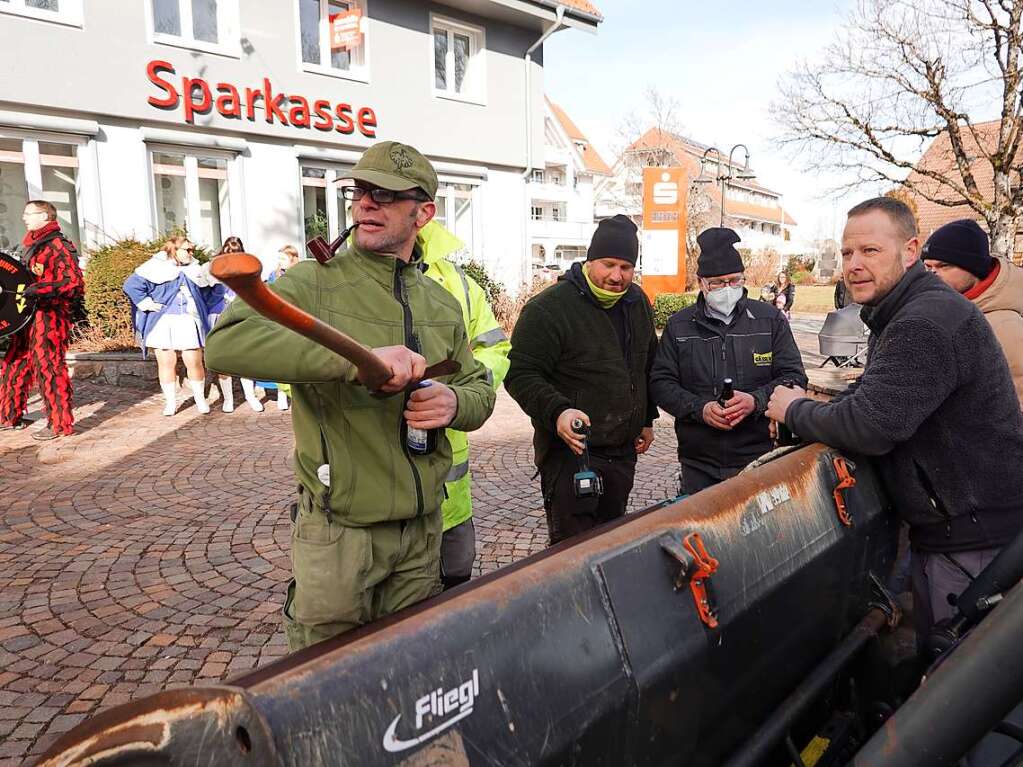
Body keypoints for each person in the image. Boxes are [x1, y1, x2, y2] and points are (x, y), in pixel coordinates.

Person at [205, 141, 495, 650]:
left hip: (422, 535)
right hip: (339, 537)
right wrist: (349, 362)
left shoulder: (442, 301)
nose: (365, 204)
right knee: (321, 680)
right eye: (359, 191)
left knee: (409, 670)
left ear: (423, 212)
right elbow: (226, 346)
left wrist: (453, 404)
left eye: (384, 195)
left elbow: (477, 388)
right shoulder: (315, 281)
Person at [766, 197, 1023, 641]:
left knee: (950, 674)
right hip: (966, 526)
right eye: (847, 253)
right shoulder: (910, 309)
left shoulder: (923, 320)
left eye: (870, 251)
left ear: (910, 252)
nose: (854, 264)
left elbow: (874, 425)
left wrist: (794, 409)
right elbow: (877, 394)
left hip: (972, 537)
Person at [505, 214, 658, 545]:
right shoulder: (549, 308)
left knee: (609, 544)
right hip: (571, 455)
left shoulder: (638, 303)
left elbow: (647, 366)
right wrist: (558, 412)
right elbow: (520, 374)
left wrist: (646, 419)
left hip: (622, 453)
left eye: (626, 267)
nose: (616, 276)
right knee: (572, 554)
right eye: (608, 264)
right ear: (590, 261)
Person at [650, 227, 807, 495]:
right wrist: (700, 408)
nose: (727, 289)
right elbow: (661, 383)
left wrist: (755, 401)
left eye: (734, 281)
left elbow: (793, 376)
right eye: (717, 283)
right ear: (701, 283)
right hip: (698, 460)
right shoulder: (680, 326)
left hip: (757, 455)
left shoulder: (769, 320)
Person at [418, 220, 511, 589]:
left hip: (450, 495)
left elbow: (496, 348)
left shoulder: (457, 283)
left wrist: (462, 394)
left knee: (456, 581)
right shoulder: (337, 281)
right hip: (370, 496)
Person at [0, 200, 84, 440]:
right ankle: (9, 415)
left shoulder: (58, 244)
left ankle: (59, 424)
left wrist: (39, 289)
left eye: (29, 213)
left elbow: (72, 282)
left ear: (45, 216)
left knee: (49, 367)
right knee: (15, 362)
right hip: (26, 316)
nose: (24, 217)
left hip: (49, 318)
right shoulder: (31, 244)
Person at [922, 219, 1023, 406]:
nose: (932, 275)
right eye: (928, 267)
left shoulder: (1004, 326)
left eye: (944, 266)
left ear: (973, 267)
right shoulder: (947, 311)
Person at [123, 235, 223, 417]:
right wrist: (147, 304)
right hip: (164, 321)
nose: (191, 253)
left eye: (192, 249)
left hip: (188, 319)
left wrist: (215, 284)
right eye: (188, 250)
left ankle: (200, 399)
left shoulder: (195, 268)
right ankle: (170, 403)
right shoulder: (154, 267)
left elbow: (211, 292)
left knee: (194, 361)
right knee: (166, 362)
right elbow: (131, 285)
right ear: (174, 250)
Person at [206, 236, 262, 413]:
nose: (232, 256)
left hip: (242, 316)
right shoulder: (213, 269)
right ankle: (228, 399)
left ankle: (250, 396)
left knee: (245, 357)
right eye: (229, 252)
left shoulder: (248, 269)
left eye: (236, 252)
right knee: (224, 358)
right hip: (219, 316)